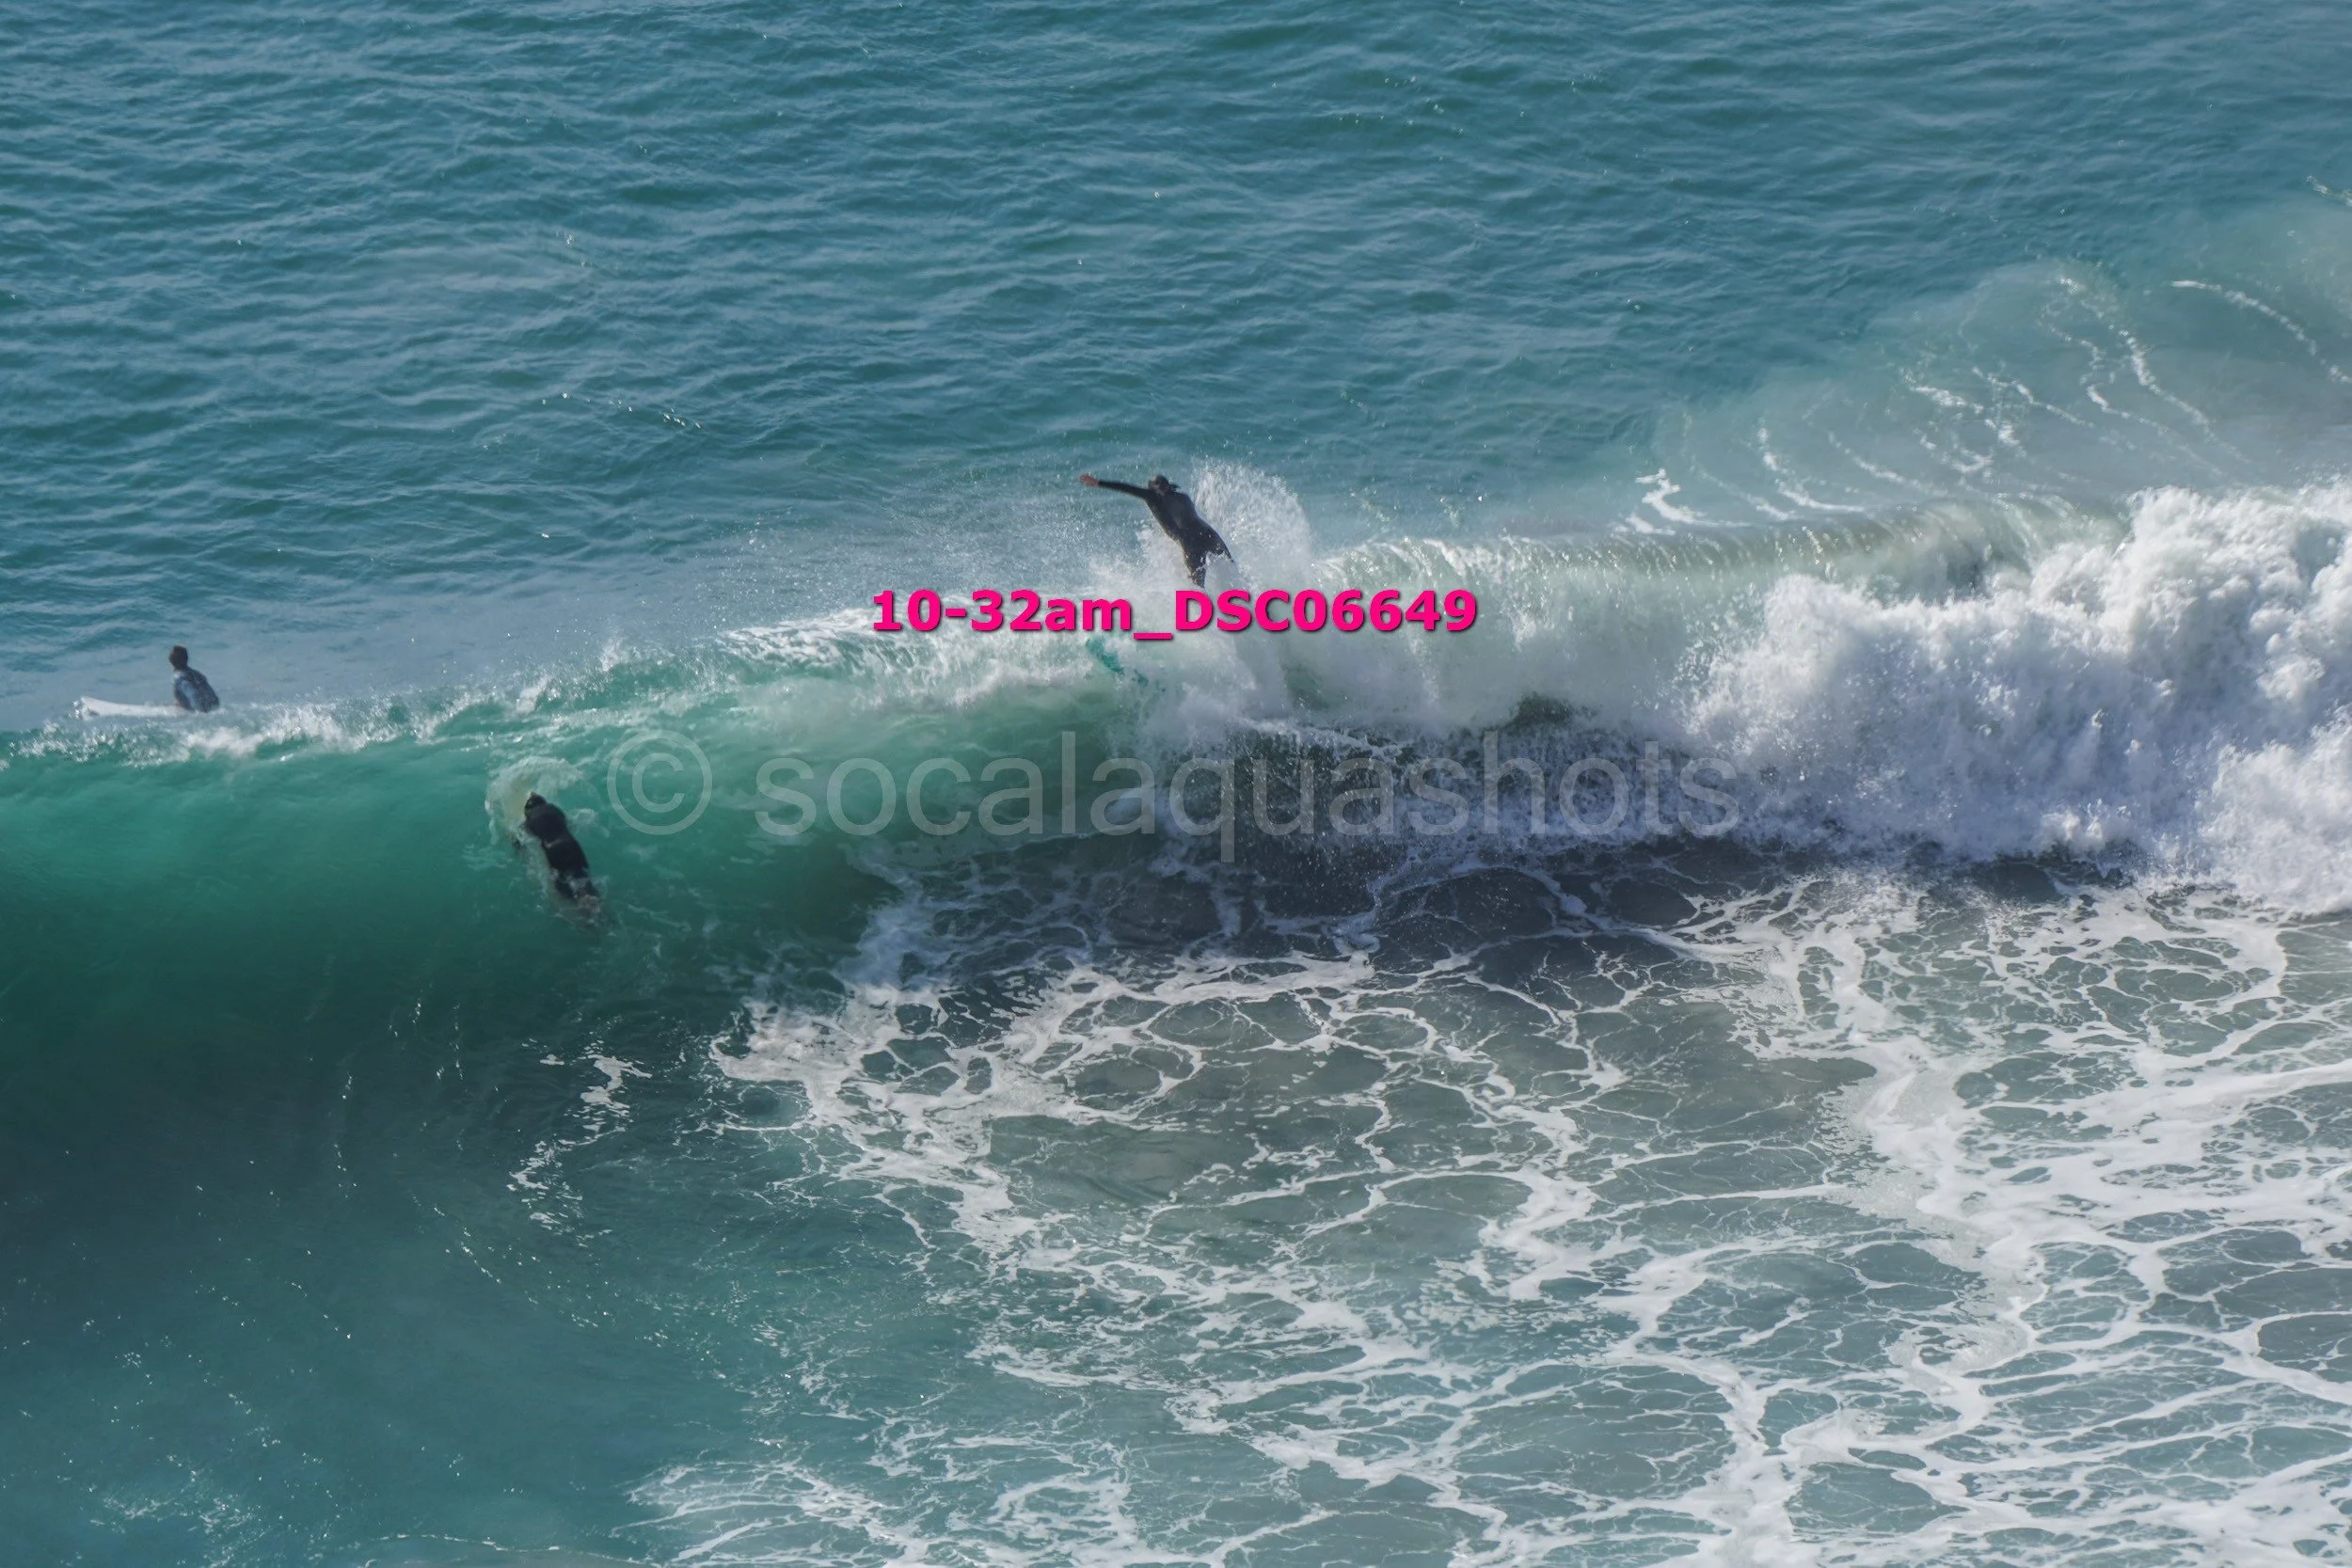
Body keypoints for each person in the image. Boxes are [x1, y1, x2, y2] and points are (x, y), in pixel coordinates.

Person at [1081, 473, 1232, 587]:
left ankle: (1203, 618)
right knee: (1231, 568)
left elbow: (1128, 488)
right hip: (1208, 533)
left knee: (1198, 589)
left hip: (1190, 542)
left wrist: (1099, 483)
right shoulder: (1183, 496)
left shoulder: (1153, 497)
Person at [519, 792, 597, 902]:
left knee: (565, 887)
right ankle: (593, 902)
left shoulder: (530, 821)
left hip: (554, 850)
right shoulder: (556, 810)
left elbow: (520, 838)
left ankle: (583, 905)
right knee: (582, 879)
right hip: (573, 846)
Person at [167, 646, 220, 712]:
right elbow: (212, 697)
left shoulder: (178, 677)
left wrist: (200, 711)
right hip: (213, 706)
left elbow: (192, 693)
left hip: (197, 710)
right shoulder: (197, 674)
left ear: (170, 661)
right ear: (187, 659)